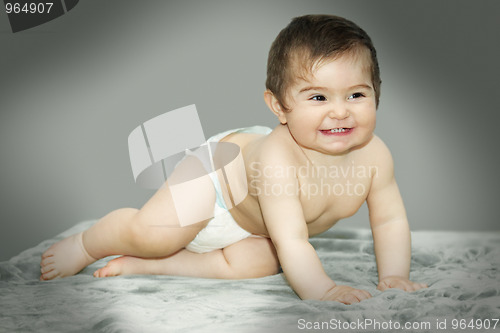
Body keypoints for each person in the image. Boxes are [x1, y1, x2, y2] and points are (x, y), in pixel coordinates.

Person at [40, 14, 427, 304]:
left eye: (356, 95)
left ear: (377, 94)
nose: (340, 112)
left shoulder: (376, 157)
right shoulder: (279, 161)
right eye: (318, 97)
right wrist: (322, 289)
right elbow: (293, 240)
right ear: (279, 106)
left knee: (258, 264)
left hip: (256, 224)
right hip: (216, 178)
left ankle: (151, 265)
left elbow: (390, 219)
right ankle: (89, 244)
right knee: (153, 234)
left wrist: (394, 275)